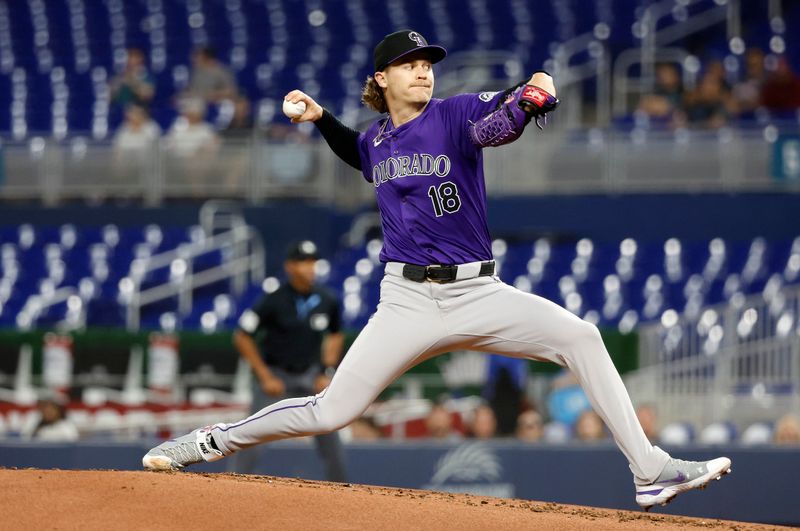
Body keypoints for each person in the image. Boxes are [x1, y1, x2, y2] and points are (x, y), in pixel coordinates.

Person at [143, 29, 731, 511]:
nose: (423, 71)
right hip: (407, 301)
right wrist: (321, 117)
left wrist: (531, 97)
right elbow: (361, 153)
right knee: (331, 412)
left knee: (581, 336)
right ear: (381, 78)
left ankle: (650, 471)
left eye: (426, 63)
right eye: (407, 64)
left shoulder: (452, 114)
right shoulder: (378, 140)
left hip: (480, 290)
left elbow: (494, 125)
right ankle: (207, 442)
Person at [228, 240, 347, 482]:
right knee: (254, 435)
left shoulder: (327, 300)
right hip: (276, 377)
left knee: (331, 434)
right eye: (303, 262)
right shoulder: (273, 300)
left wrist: (326, 370)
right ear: (290, 267)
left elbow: (336, 334)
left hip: (311, 376)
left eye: (313, 261)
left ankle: (342, 489)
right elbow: (242, 336)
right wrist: (264, 375)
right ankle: (233, 484)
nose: (310, 267)